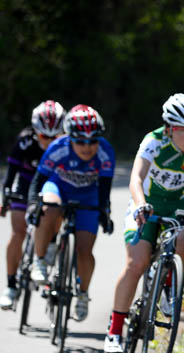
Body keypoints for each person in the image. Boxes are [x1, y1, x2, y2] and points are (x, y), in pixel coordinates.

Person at [103, 93, 184, 353]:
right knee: (136, 264)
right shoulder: (154, 141)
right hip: (145, 202)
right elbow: (136, 178)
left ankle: (167, 283)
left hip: (178, 204)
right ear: (170, 128)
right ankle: (114, 332)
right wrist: (140, 204)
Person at [26, 104, 115, 321]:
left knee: (85, 250)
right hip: (59, 188)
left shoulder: (105, 152)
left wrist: (104, 212)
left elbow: (104, 188)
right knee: (49, 207)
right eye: (81, 141)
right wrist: (32, 205)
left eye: (93, 140)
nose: (87, 147)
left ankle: (83, 294)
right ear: (70, 138)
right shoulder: (58, 147)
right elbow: (39, 179)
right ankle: (39, 260)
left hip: (88, 195)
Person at [0, 101, 65, 309]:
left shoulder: (66, 145)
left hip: (53, 187)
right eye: (44, 137)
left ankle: (49, 251)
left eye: (54, 137)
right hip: (26, 185)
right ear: (36, 131)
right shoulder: (24, 142)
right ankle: (10, 285)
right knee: (18, 232)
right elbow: (10, 174)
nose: (49, 142)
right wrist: (6, 197)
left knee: (56, 215)